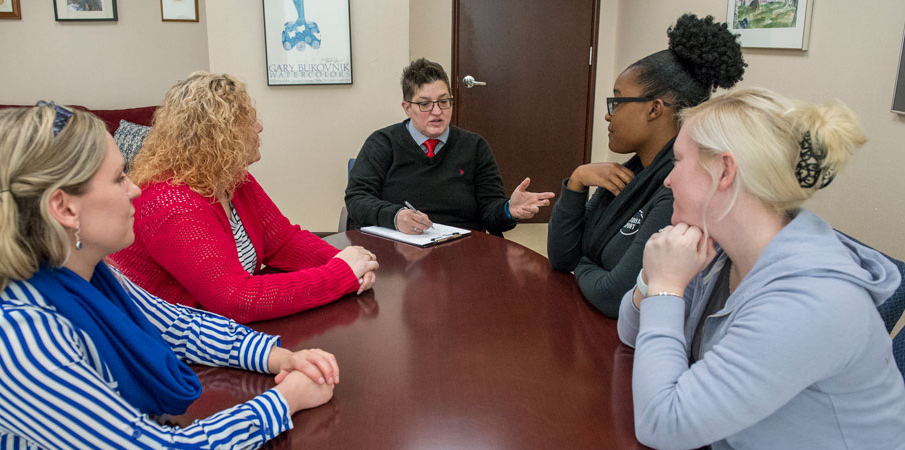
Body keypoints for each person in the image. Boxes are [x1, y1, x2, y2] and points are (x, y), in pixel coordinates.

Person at [0, 103, 341, 448]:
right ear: (64, 208)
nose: (135, 190)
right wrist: (284, 401)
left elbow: (179, 326)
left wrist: (279, 356)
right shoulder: (13, 336)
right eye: (119, 178)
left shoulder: (86, 274)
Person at [619, 87, 905, 449]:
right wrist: (656, 278)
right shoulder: (719, 248)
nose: (667, 178)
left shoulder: (812, 302)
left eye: (677, 160)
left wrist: (666, 287)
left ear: (724, 170)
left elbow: (662, 424)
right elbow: (631, 333)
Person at [111, 72, 378, 323]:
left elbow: (283, 242)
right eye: (248, 121)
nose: (259, 127)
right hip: (171, 347)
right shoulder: (171, 203)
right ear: (219, 137)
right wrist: (339, 273)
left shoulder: (231, 179)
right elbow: (235, 300)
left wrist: (347, 261)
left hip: (218, 331)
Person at [547, 14, 746, 317]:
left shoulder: (676, 190)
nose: (607, 116)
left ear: (654, 109)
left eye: (617, 102)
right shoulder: (635, 170)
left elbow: (615, 296)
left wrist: (581, 265)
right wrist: (576, 182)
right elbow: (562, 257)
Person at [345, 58, 554, 236]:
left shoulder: (474, 146)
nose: (437, 111)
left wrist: (508, 210)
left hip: (462, 251)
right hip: (399, 246)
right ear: (407, 108)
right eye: (425, 104)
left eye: (444, 101)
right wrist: (396, 217)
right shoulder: (383, 143)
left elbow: (491, 214)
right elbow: (357, 199)